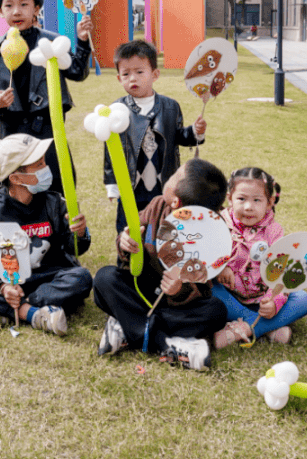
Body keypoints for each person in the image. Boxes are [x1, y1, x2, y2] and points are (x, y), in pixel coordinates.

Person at [92, 158, 229, 371]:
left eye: (174, 176)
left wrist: (179, 290)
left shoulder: (212, 233)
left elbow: (203, 287)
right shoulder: (157, 205)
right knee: (105, 278)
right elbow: (131, 237)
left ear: (175, 201)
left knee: (216, 311)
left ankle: (128, 327)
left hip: (176, 307)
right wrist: (125, 242)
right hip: (142, 291)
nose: (169, 175)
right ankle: (165, 343)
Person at [0, 134, 92, 336]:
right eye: (39, 165)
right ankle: (33, 314)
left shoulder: (56, 203)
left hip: (50, 278)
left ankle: (9, 310)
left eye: (44, 162)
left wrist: (79, 234)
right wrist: (4, 287)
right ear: (16, 178)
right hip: (11, 281)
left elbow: (74, 249)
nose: (46, 168)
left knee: (82, 277)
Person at [0, 0, 92, 194]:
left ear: (36, 9)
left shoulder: (52, 42)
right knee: (10, 188)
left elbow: (77, 72)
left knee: (55, 185)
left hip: (45, 129)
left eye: (24, 4)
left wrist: (82, 41)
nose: (16, 12)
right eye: (9, 5)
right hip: (9, 129)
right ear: (0, 10)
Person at [103, 39, 205, 233]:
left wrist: (195, 132)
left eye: (139, 72)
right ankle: (127, 252)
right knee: (129, 229)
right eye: (126, 74)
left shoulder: (170, 107)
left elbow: (179, 136)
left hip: (162, 183)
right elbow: (111, 150)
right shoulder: (116, 110)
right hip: (131, 185)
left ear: (155, 74)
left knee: (163, 227)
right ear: (119, 78)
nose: (133, 78)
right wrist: (112, 183)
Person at [211, 168, 307, 348]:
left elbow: (281, 274)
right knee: (208, 289)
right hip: (230, 299)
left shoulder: (274, 232)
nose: (248, 207)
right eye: (241, 199)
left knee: (302, 299)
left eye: (257, 200)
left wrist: (273, 301)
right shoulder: (219, 223)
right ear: (230, 198)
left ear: (269, 202)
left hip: (262, 300)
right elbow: (207, 254)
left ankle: (245, 328)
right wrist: (221, 266)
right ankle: (267, 328)